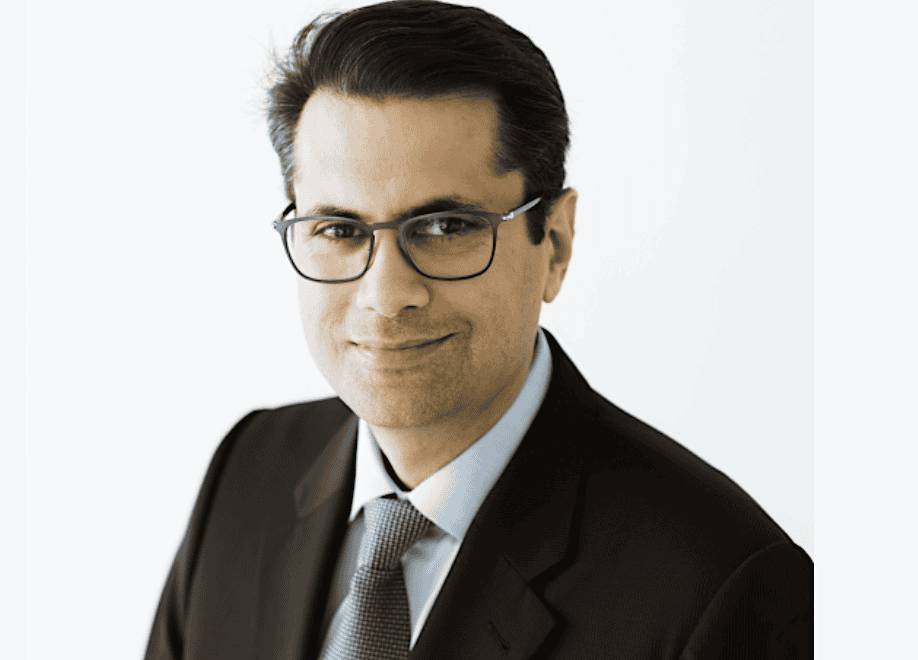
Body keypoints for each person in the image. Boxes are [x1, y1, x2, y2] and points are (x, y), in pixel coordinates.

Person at [145, 1, 813, 658]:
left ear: (554, 242)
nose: (386, 296)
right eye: (340, 230)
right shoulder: (249, 471)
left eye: (445, 228)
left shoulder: (721, 586)